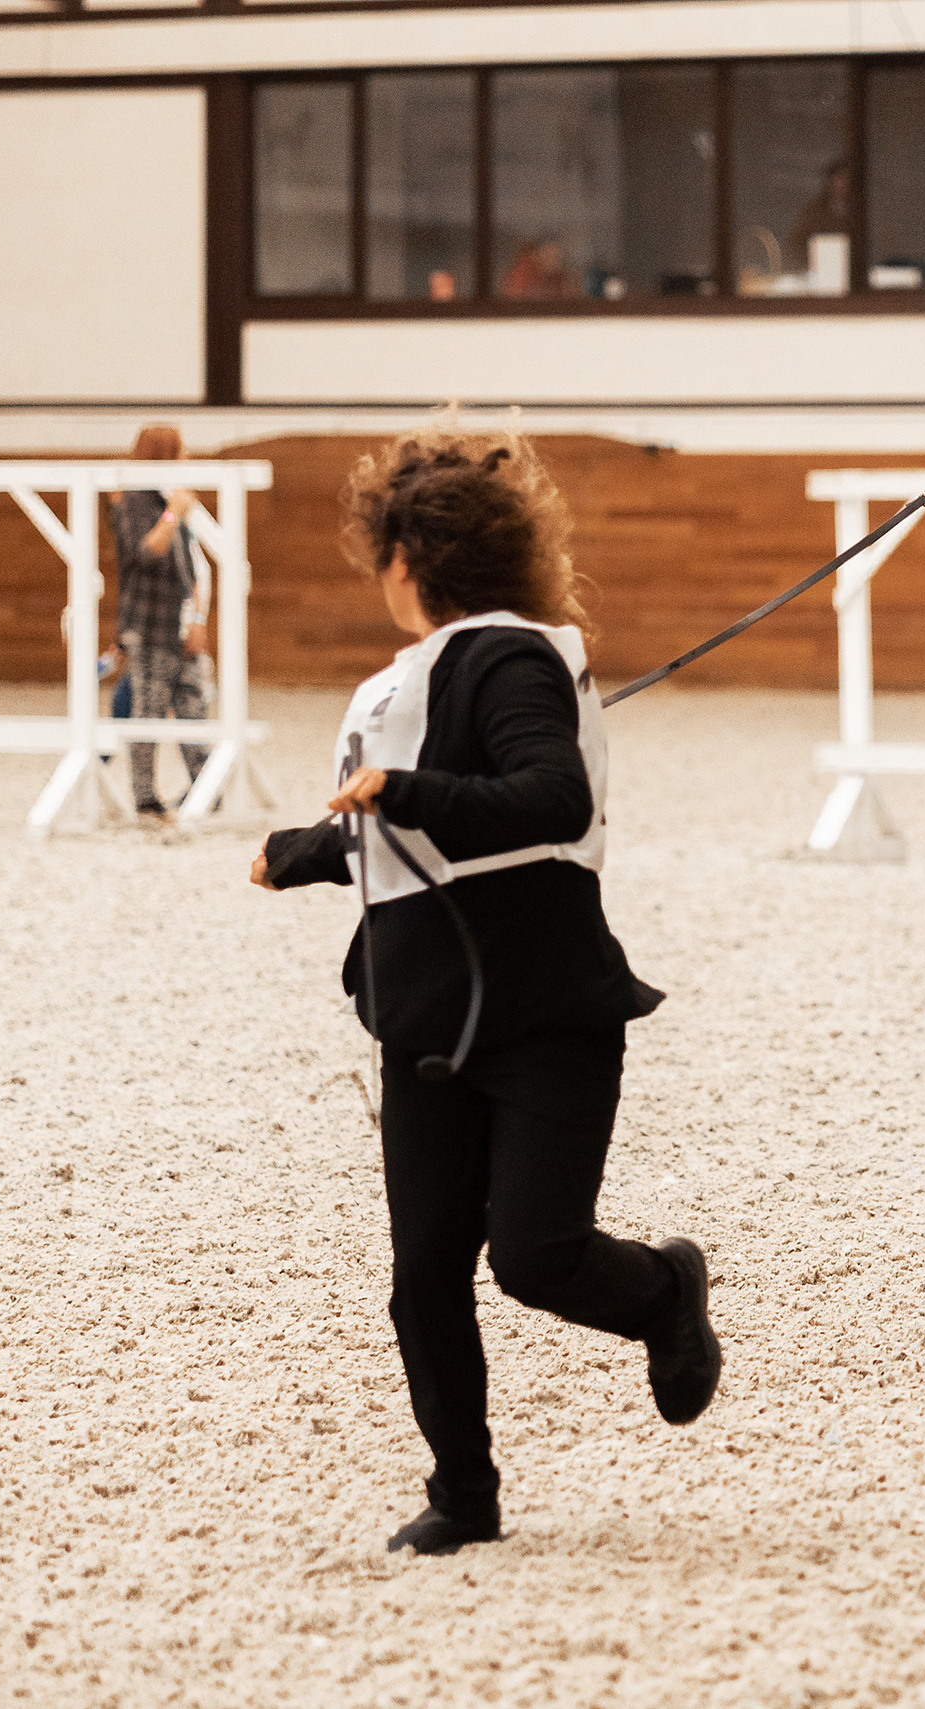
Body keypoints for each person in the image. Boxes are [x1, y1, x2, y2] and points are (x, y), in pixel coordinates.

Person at [250, 427, 719, 1557]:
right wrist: (303, 850)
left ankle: (664, 1290)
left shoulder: (510, 659)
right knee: (423, 1280)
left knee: (536, 1256)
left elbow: (546, 799)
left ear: (412, 557)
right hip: (422, 1015)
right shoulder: (402, 683)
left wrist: (403, 789)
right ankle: (465, 1494)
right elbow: (404, 842)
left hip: (543, 1008)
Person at [109, 425, 213, 822]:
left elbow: (188, 566)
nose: (187, 460)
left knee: (193, 705)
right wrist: (175, 514)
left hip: (178, 624)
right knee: (147, 712)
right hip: (149, 625)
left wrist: (196, 619)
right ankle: (145, 799)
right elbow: (147, 551)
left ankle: (204, 786)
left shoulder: (168, 499)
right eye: (181, 452)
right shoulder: (134, 501)